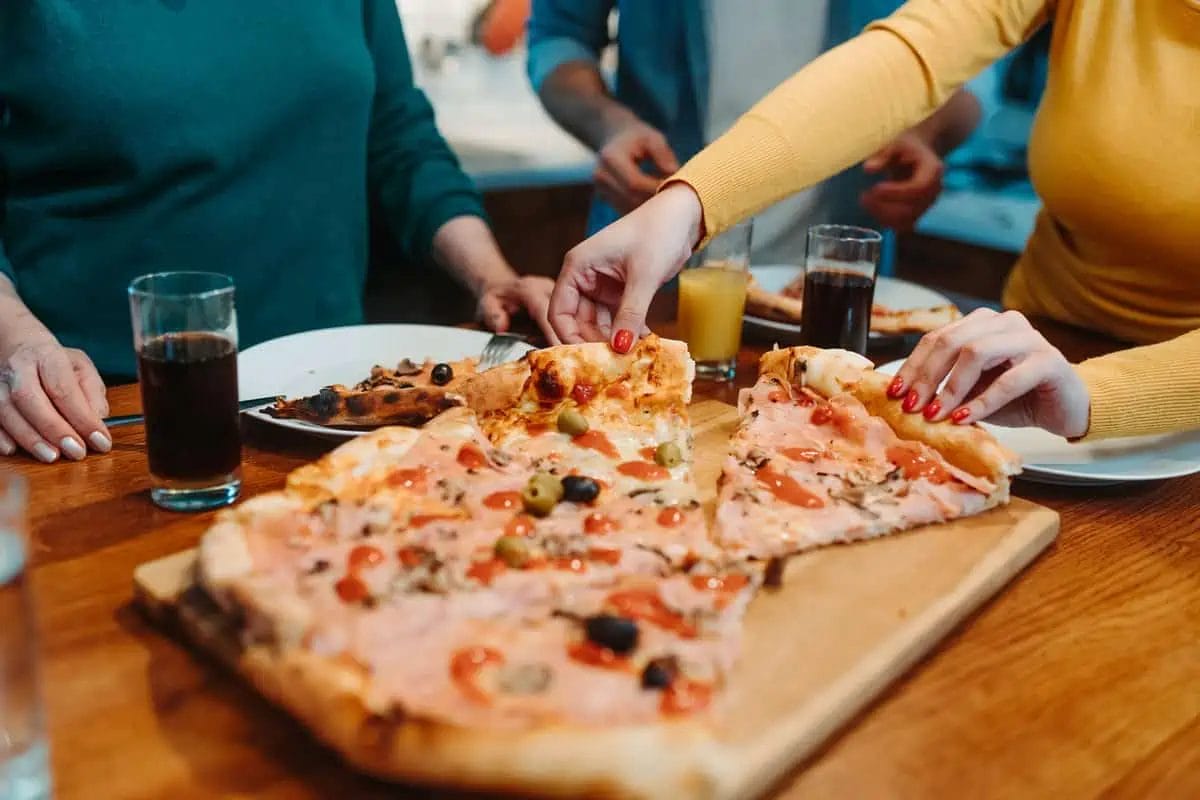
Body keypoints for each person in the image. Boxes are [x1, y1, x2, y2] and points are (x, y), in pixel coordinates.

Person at [548, 0, 1200, 441]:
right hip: (1032, 351)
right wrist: (691, 202)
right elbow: (909, 57)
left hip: (1161, 403)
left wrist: (1098, 396)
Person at [0, 1, 554, 464]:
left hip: (342, 407)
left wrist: (491, 276)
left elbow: (397, 138)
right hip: (102, 418)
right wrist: (14, 339)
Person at [527, 0, 982, 264]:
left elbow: (976, 67)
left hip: (835, 272)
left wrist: (927, 133)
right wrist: (611, 126)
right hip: (655, 249)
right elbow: (557, 37)